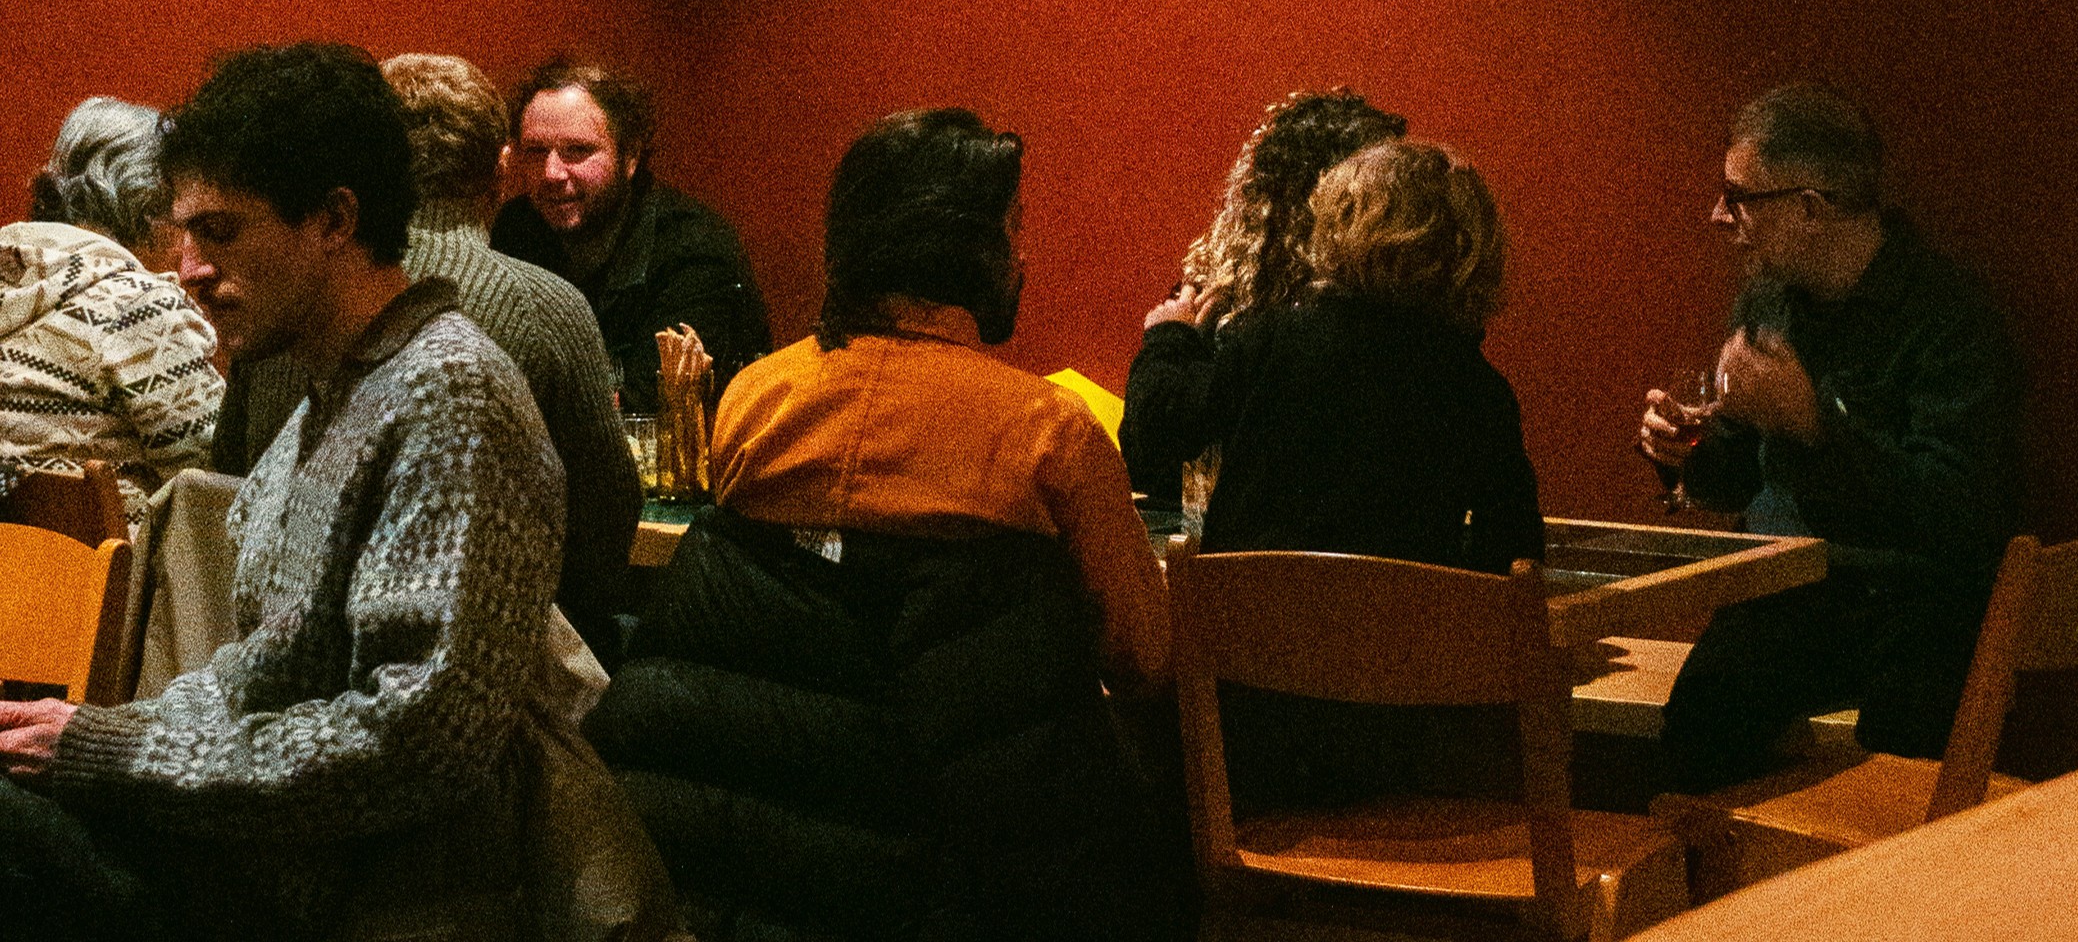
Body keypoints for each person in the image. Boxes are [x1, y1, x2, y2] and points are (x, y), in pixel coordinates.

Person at [0, 43, 570, 941]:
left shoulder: (448, 393)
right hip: (259, 853)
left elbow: (413, 745)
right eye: (181, 231)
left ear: (336, 219)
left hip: (360, 892)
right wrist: (86, 734)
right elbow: (253, 675)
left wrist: (113, 750)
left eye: (220, 233)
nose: (186, 267)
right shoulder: (332, 384)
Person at [585, 107, 1177, 940]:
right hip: (951, 871)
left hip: (739, 869)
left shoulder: (756, 400)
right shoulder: (1048, 432)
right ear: (970, 251)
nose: (1023, 254)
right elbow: (1145, 660)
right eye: (1014, 229)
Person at [1128, 137, 1541, 807]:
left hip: (1245, 733)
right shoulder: (1476, 388)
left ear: (1338, 229)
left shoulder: (1267, 342)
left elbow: (1154, 441)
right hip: (1395, 745)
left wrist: (1170, 335)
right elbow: (1513, 555)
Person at [1639, 84, 2022, 794]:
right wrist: (1681, 456)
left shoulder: (1946, 314)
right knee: (1695, 730)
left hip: (1909, 603)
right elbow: (1739, 481)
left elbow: (1955, 514)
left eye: (1739, 195)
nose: (1719, 215)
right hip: (1786, 592)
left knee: (1908, 762)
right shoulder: (1768, 301)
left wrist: (1816, 427)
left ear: (1809, 208)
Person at [212, 52, 641, 656]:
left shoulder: (285, 292)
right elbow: (602, 534)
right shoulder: (546, 310)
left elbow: (227, 481)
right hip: (481, 661)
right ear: (499, 169)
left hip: (269, 648)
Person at [1120, 85, 1405, 504]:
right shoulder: (1409, 327)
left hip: (1234, 561)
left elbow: (1151, 451)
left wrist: (1168, 341)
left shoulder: (1236, 321)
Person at [492, 56, 770, 414]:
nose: (551, 173)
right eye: (535, 152)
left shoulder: (693, 250)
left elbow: (647, 412)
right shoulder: (517, 228)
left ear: (631, 155)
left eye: (577, 151)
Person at [0, 97, 222, 521]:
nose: (198, 255)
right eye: (190, 224)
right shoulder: (137, 308)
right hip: (120, 583)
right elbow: (227, 487)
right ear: (151, 211)